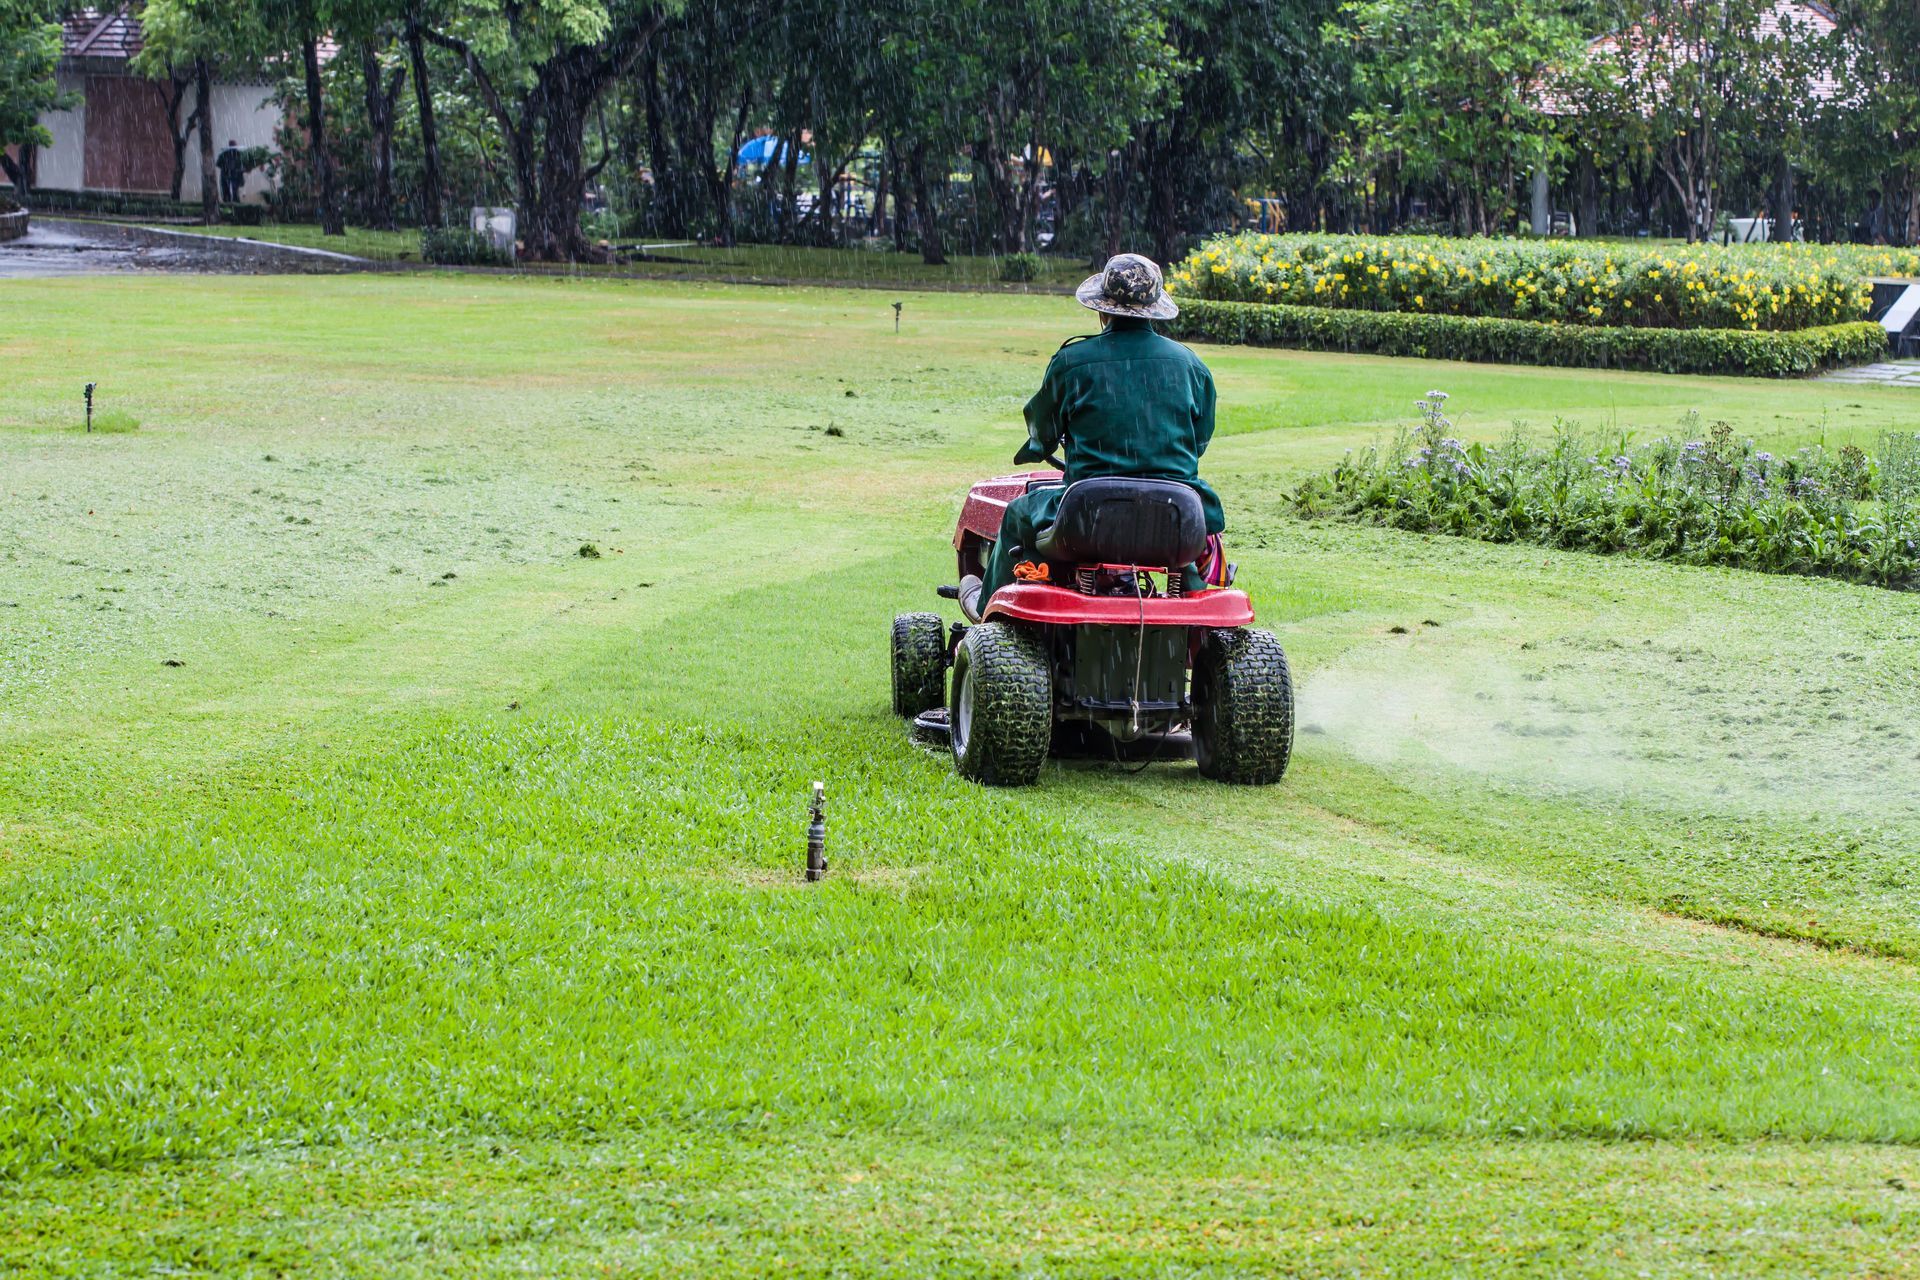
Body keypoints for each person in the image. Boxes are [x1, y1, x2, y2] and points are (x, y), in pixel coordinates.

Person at [962, 252, 1223, 618]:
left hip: (1088, 517)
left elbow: (1043, 430)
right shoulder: (1191, 366)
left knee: (1019, 512)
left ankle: (990, 611)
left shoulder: (1073, 361)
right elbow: (1200, 440)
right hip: (1177, 518)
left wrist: (1042, 443)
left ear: (1102, 310)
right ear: (1153, 310)